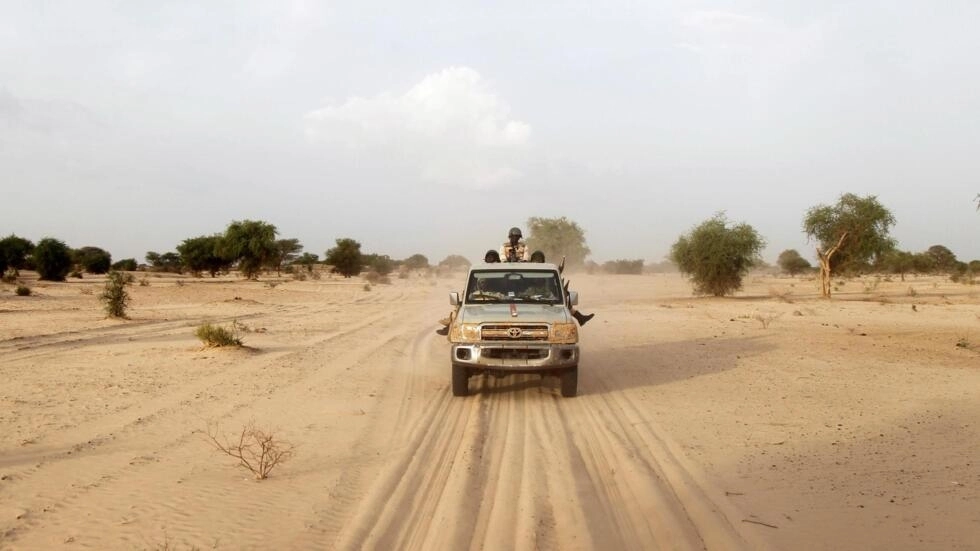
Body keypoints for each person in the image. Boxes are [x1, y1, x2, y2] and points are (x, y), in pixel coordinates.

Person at [528, 250, 595, 326]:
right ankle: (580, 318)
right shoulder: (529, 269)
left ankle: (580, 318)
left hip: (545, 297)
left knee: (562, 303)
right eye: (536, 260)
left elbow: (556, 275)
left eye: (538, 260)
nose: (537, 262)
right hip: (530, 296)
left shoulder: (546, 270)